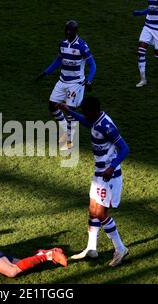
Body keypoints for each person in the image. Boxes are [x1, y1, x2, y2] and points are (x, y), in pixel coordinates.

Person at [57, 97, 130, 266]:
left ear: (94, 111)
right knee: (92, 210)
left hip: (108, 176)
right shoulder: (95, 120)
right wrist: (69, 112)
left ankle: (120, 248)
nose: (85, 115)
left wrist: (112, 167)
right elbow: (87, 122)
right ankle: (91, 248)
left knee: (100, 213)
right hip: (99, 173)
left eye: (86, 112)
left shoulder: (106, 126)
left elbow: (125, 148)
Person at [36, 20, 97, 151]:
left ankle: (70, 141)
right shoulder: (62, 44)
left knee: (69, 111)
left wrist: (90, 80)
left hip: (75, 83)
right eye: (67, 30)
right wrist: (46, 72)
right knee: (52, 106)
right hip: (62, 80)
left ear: (76, 31)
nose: (69, 33)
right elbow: (59, 60)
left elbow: (93, 65)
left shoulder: (82, 46)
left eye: (71, 31)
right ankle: (65, 129)